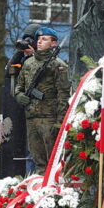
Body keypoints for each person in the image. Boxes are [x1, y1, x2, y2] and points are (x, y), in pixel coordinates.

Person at [14, 27, 71, 174]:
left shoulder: (58, 65)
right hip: (31, 117)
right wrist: (19, 95)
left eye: (44, 39)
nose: (39, 42)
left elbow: (63, 95)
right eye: (38, 39)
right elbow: (19, 86)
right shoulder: (28, 63)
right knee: (37, 159)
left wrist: (60, 121)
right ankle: (40, 188)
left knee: (53, 161)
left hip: (49, 117)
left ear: (53, 44)